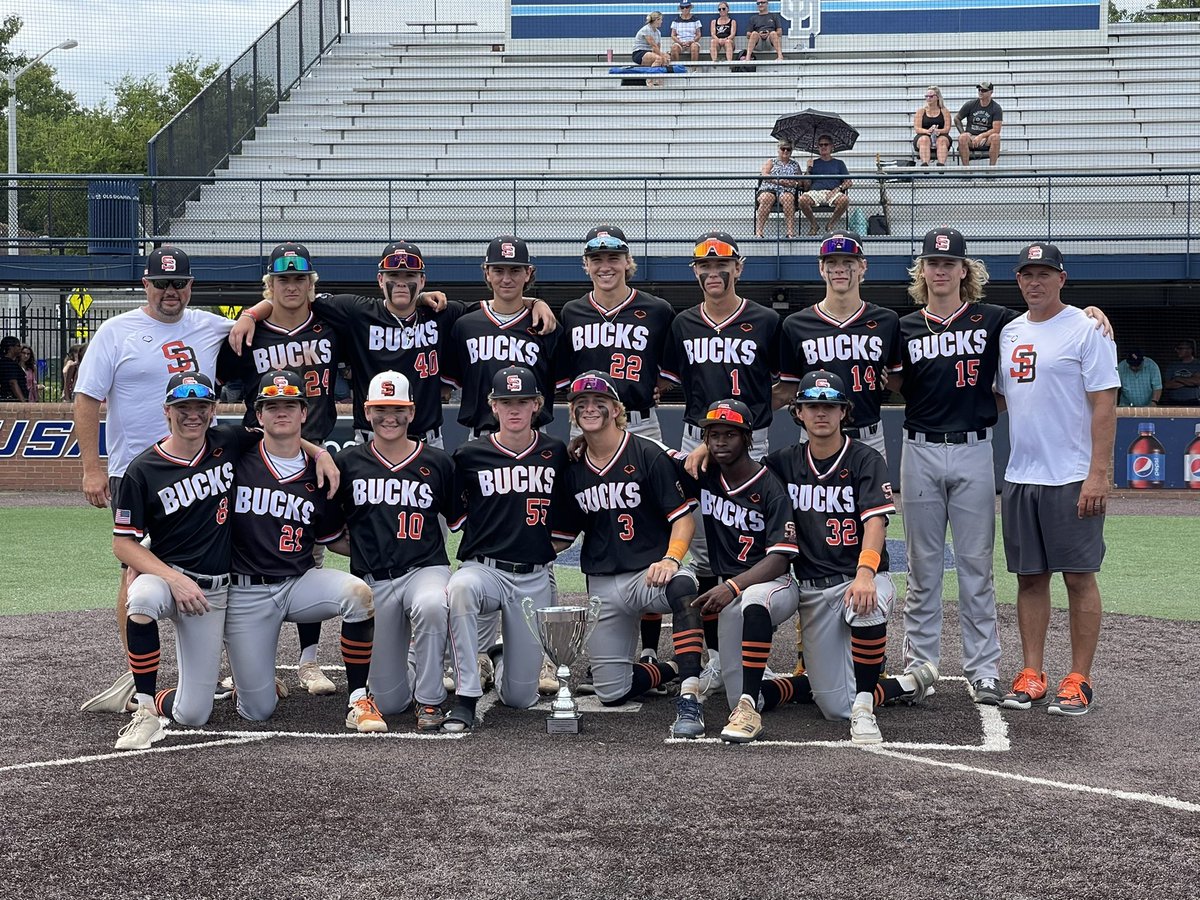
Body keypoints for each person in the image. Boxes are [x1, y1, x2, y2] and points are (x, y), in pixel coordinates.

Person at [75, 246, 238, 715]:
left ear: (191, 286)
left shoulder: (209, 324)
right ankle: (137, 674)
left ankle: (227, 664)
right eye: (162, 284)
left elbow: (260, 319)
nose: (172, 292)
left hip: (202, 464)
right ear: (146, 285)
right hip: (137, 470)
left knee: (219, 558)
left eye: (180, 284)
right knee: (135, 568)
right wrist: (92, 466)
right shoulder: (116, 331)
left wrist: (262, 308)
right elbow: (88, 399)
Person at [763, 371, 939, 744]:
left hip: (859, 577)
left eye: (829, 406)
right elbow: (738, 473)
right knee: (831, 707)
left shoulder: (865, 458)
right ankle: (905, 685)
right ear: (798, 412)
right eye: (812, 406)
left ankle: (864, 706)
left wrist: (865, 572)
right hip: (812, 589)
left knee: (867, 606)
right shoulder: (784, 461)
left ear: (844, 411)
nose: (821, 414)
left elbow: (875, 522)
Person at [224, 370, 386, 734]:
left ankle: (359, 696)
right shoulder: (236, 456)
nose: (281, 412)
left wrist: (389, 554)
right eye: (272, 405)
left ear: (304, 413)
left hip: (297, 583)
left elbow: (332, 537)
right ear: (258, 414)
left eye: (290, 405)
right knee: (258, 710)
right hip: (246, 591)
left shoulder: (321, 472)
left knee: (357, 594)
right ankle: (237, 685)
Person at [996, 242, 1119, 717]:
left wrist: (1098, 474)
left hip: (1071, 475)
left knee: (1079, 578)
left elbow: (1105, 406)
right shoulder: (1009, 332)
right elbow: (1004, 399)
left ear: (1061, 279)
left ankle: (1079, 678)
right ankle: (1032, 673)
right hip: (1022, 474)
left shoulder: (1087, 329)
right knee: (1030, 578)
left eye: (1045, 273)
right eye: (1027, 274)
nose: (1035, 282)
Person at [660, 231, 784, 697]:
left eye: (722, 266)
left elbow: (785, 384)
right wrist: (710, 440)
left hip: (750, 440)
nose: (714, 274)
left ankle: (756, 653)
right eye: (705, 267)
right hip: (697, 438)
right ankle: (715, 658)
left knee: (754, 543)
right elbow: (671, 384)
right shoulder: (682, 323)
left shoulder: (767, 320)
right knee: (708, 550)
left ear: (739, 267)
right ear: (695, 272)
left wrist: (741, 426)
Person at [107, 373, 259, 749]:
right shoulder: (143, 469)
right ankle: (145, 708)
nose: (192, 415)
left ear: (213, 410)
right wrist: (173, 579)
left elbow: (277, 435)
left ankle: (158, 698)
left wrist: (320, 453)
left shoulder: (228, 441)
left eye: (201, 407)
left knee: (194, 714)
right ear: (167, 411)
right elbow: (123, 544)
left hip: (212, 590)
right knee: (139, 599)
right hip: (166, 577)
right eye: (182, 407)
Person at [218, 241, 343, 694]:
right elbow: (220, 386)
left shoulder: (331, 325)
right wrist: (251, 314)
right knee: (249, 548)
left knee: (308, 552)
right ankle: (254, 661)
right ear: (269, 285)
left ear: (312, 285)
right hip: (260, 453)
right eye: (281, 280)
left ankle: (309, 661)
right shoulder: (248, 333)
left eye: (299, 279)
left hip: (319, 447)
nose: (291, 286)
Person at [554, 370, 707, 738]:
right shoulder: (573, 467)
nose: (590, 408)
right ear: (572, 413)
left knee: (684, 584)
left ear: (616, 409)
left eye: (599, 402)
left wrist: (671, 558)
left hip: (647, 575)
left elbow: (683, 519)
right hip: (603, 585)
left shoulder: (646, 452)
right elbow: (562, 536)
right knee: (611, 693)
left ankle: (690, 693)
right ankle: (669, 669)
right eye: (581, 404)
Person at [442, 366, 570, 733]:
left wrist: (542, 548)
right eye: (505, 401)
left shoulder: (555, 452)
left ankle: (499, 656)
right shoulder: (469, 455)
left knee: (519, 697)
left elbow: (567, 517)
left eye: (523, 401)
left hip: (532, 577)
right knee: (461, 588)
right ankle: (466, 696)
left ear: (537, 405)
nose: (514, 409)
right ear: (492, 407)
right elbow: (456, 516)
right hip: (486, 568)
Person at [333, 370, 456, 729]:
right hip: (375, 580)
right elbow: (329, 533)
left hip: (424, 569)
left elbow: (458, 519)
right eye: (382, 408)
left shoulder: (436, 462)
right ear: (367, 411)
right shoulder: (348, 463)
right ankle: (418, 659)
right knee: (390, 701)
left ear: (412, 412)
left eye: (399, 408)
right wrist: (361, 552)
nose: (391, 417)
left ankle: (431, 700)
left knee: (433, 604)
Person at [681, 399, 800, 743]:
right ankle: (788, 688)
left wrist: (732, 587)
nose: (720, 442)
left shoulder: (769, 485)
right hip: (733, 590)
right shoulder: (705, 476)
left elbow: (781, 558)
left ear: (747, 438)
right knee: (740, 692)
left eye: (729, 434)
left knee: (754, 599)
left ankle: (748, 710)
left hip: (772, 585)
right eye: (713, 435)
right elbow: (650, 455)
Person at [557, 225, 675, 442]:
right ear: (586, 264)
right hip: (587, 423)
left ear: (627, 261)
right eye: (596, 259)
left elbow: (673, 364)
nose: (605, 267)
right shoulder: (571, 312)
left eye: (613, 258)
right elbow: (564, 372)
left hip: (640, 423)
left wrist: (653, 386)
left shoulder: (657, 310)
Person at [443, 236, 561, 440]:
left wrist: (536, 302)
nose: (506, 279)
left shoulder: (546, 325)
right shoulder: (465, 325)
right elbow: (448, 387)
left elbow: (562, 385)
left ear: (528, 273)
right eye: (498, 270)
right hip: (481, 437)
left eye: (515, 270)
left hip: (534, 438)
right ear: (487, 273)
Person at [798, 136, 852, 235]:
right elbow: (806, 186)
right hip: (815, 192)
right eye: (820, 145)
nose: (823, 147)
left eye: (826, 144)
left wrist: (838, 189)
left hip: (833, 192)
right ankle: (814, 225)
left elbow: (849, 182)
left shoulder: (839, 163)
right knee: (802, 200)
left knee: (844, 200)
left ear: (831, 147)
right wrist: (808, 170)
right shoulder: (813, 163)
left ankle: (830, 225)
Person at [755, 142, 802, 239]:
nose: (785, 151)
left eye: (788, 149)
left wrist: (794, 184)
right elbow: (764, 174)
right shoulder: (771, 161)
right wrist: (778, 180)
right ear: (778, 149)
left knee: (788, 199)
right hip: (769, 188)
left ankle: (790, 232)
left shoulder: (795, 164)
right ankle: (759, 232)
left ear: (791, 151)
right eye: (783, 148)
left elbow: (801, 181)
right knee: (766, 198)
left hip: (787, 190)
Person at [956, 81, 1003, 167]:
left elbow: (996, 129)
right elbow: (957, 118)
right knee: (962, 137)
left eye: (984, 90)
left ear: (991, 92)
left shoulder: (996, 108)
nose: (981, 92)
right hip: (970, 137)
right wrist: (963, 132)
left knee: (996, 137)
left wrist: (981, 136)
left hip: (986, 139)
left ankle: (991, 170)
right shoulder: (970, 104)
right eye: (979, 90)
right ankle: (966, 170)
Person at [913, 86, 952, 167]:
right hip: (924, 135)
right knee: (924, 139)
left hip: (940, 135)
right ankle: (925, 164)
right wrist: (927, 131)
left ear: (937, 97)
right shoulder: (921, 111)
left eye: (931, 96)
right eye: (926, 96)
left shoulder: (944, 111)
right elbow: (917, 128)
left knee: (941, 140)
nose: (928, 98)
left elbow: (947, 128)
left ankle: (941, 165)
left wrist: (938, 131)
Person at [632, 12, 670, 86]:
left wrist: (665, 57)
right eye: (661, 20)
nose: (662, 22)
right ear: (656, 20)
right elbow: (654, 46)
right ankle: (649, 80)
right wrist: (662, 57)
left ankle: (658, 80)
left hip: (650, 53)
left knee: (667, 57)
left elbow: (658, 47)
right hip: (639, 53)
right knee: (659, 58)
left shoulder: (658, 32)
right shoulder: (646, 29)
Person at [1161, 338, 1200, 405]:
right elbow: (1167, 385)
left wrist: (1177, 379)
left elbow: (1197, 381)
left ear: (1189, 350)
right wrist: (1190, 381)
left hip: (1193, 402)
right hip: (1173, 402)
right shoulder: (1172, 365)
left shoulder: (1198, 364)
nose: (1176, 350)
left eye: (1180, 348)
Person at [0, 336, 26, 400]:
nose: (20, 348)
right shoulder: (9, 364)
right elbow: (13, 383)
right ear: (11, 347)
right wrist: (23, 402)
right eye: (18, 345)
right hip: (12, 400)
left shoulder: (3, 362)